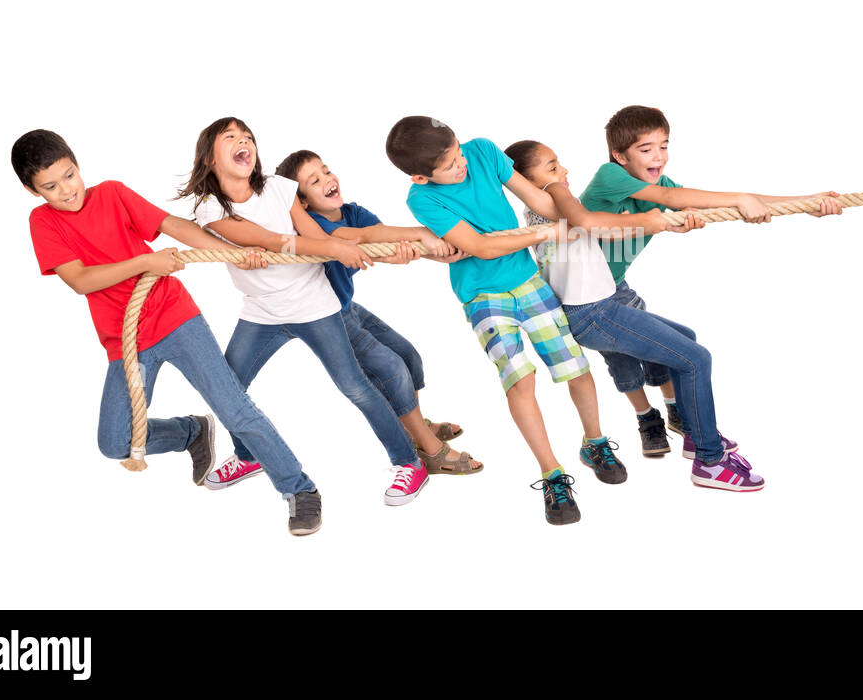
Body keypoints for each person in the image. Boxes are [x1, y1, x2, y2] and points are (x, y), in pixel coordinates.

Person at [14, 128, 324, 536]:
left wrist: (232, 253)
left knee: (233, 406)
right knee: (115, 442)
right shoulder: (43, 222)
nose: (67, 190)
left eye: (69, 175)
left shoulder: (112, 193)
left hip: (174, 318)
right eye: (51, 187)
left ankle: (299, 488)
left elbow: (172, 225)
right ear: (32, 190)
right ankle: (190, 432)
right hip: (125, 340)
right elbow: (81, 280)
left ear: (77, 164)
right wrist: (146, 263)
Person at [177, 117, 429, 508]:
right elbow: (264, 239)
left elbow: (311, 234)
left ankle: (409, 463)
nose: (244, 141)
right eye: (231, 137)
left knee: (355, 386)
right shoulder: (210, 207)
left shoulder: (278, 188)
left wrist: (348, 250)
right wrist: (332, 248)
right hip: (261, 312)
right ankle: (248, 456)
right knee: (228, 387)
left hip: (314, 304)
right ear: (209, 158)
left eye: (248, 137)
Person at [579, 104, 840, 455]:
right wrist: (741, 199)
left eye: (664, 146)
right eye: (646, 149)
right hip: (586, 297)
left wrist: (806, 202)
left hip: (615, 287)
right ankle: (650, 419)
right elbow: (670, 199)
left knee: (675, 343)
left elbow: (704, 201)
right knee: (628, 358)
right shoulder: (609, 176)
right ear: (620, 156)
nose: (659, 156)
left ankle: (678, 413)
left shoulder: (660, 184)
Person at [509, 139, 768, 490]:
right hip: (593, 313)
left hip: (603, 305)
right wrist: (650, 220)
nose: (563, 171)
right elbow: (587, 221)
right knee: (696, 359)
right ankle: (710, 461)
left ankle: (694, 436)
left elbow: (600, 225)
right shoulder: (554, 196)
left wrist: (660, 223)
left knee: (686, 339)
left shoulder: (540, 212)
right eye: (552, 167)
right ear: (525, 182)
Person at [386, 115, 597, 524]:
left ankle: (595, 441)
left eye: (457, 152)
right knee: (519, 379)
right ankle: (552, 473)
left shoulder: (482, 151)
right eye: (449, 165)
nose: (461, 164)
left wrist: (575, 212)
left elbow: (539, 202)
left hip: (529, 282)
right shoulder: (422, 199)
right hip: (482, 297)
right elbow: (481, 248)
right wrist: (544, 234)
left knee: (575, 365)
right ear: (421, 177)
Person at [273, 148, 482, 474]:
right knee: (391, 368)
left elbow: (384, 241)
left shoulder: (352, 212)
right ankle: (430, 449)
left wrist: (440, 252)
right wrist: (424, 234)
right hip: (325, 317)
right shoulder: (311, 226)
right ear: (301, 203)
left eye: (326, 170)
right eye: (314, 181)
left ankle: (416, 427)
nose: (327, 179)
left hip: (346, 305)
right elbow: (363, 238)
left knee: (407, 355)